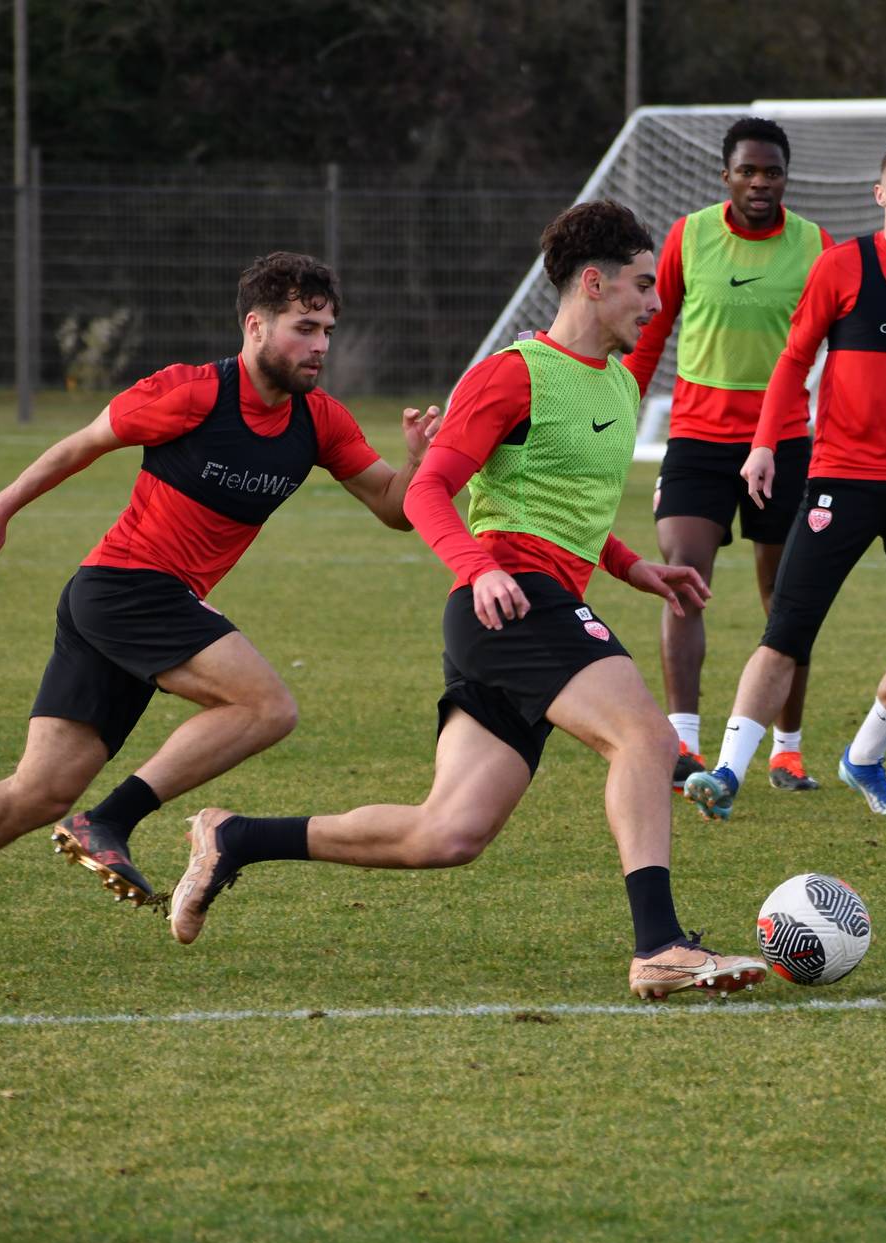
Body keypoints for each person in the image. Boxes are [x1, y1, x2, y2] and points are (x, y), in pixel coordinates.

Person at [166, 201, 769, 1001]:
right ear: (593, 283)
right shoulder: (512, 373)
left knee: (445, 834)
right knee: (648, 741)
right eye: (640, 284)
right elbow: (429, 492)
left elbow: (562, 509)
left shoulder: (621, 384)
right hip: (513, 600)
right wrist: (479, 569)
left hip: (524, 606)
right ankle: (659, 945)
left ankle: (234, 838)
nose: (655, 301)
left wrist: (633, 570)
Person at [0, 252, 439, 957]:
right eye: (304, 328)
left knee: (36, 793)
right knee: (267, 707)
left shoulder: (319, 422)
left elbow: (394, 508)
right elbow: (83, 444)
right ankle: (109, 819)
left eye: (327, 329)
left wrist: (416, 460)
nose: (320, 345)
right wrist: (2, 505)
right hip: (125, 588)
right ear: (256, 327)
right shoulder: (193, 392)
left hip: (128, 603)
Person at [683, 138, 886, 821]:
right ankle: (728, 773)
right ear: (879, 194)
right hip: (840, 478)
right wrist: (764, 445)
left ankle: (865, 759)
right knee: (787, 631)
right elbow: (793, 361)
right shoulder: (841, 265)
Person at [624, 117, 833, 795]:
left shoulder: (815, 246)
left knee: (786, 599)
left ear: (785, 178)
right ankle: (682, 747)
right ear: (726, 177)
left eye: (772, 172)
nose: (760, 183)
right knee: (683, 580)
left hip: (785, 440)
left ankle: (788, 751)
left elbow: (839, 351)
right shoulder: (690, 236)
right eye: (748, 171)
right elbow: (650, 334)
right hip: (697, 438)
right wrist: (618, 412)